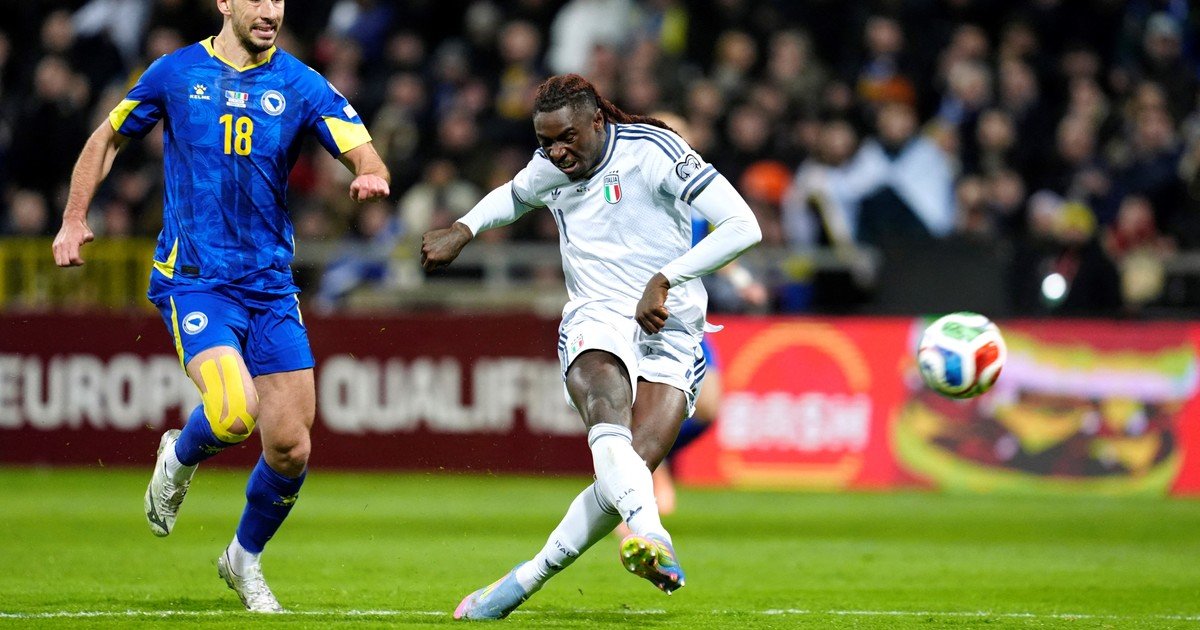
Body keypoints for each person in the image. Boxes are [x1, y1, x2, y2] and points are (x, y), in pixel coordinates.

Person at [51, 0, 390, 613]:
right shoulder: (176, 72)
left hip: (271, 287)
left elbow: (361, 147)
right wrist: (74, 218)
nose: (270, 11)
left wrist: (368, 172)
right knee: (234, 413)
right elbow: (107, 139)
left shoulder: (300, 83)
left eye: (278, 0)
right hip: (196, 280)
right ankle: (178, 458)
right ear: (224, 3)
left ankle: (243, 559)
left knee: (291, 447)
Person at [421, 73, 762, 620]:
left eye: (567, 138)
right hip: (596, 315)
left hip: (671, 323)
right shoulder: (550, 167)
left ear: (598, 121)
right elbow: (514, 196)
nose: (557, 152)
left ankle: (522, 581)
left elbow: (743, 226)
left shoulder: (653, 151)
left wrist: (666, 279)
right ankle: (653, 535)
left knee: (627, 473)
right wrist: (463, 229)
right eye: (545, 142)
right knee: (606, 408)